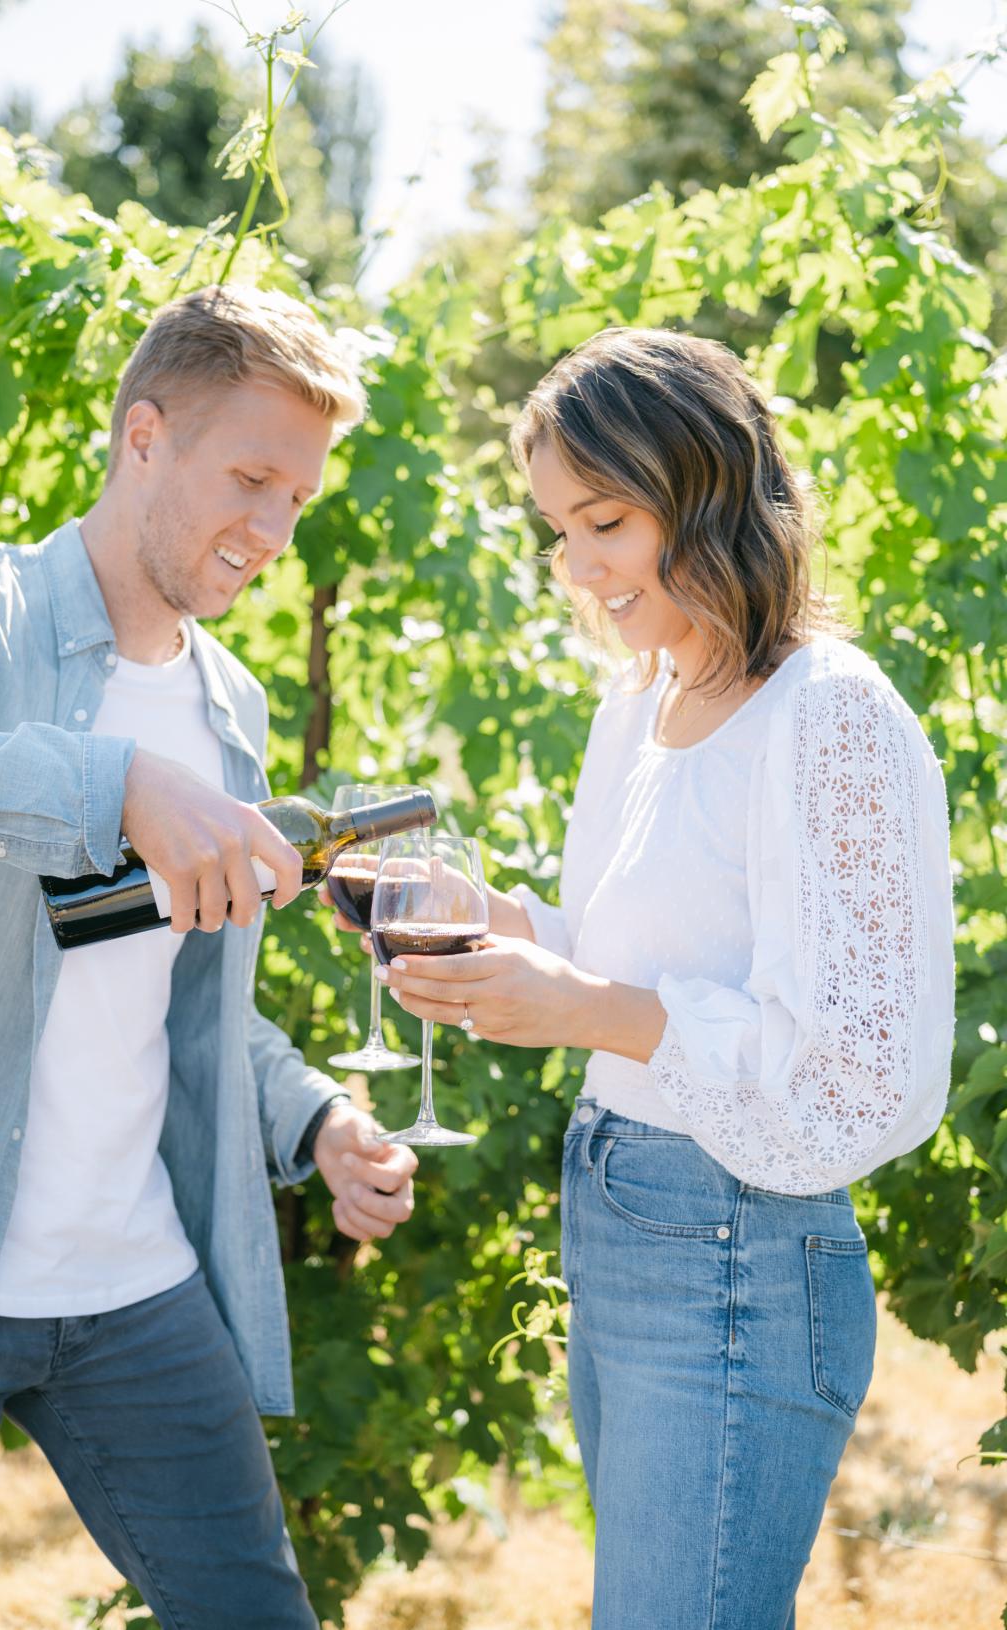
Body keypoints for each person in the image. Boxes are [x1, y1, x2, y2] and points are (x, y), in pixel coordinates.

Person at [0, 284, 418, 1630]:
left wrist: (313, 1115)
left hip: (132, 1281)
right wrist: (104, 780)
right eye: (250, 476)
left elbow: (172, 1003)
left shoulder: (230, 708)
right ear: (145, 435)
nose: (271, 530)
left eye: (298, 499)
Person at [369, 328, 954, 1628]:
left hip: (738, 1238)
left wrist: (587, 1012)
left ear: (703, 489)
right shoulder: (637, 706)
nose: (576, 568)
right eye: (557, 531)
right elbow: (627, 948)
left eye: (605, 522)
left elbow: (859, 1065)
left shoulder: (826, 713)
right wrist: (488, 916)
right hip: (625, 1207)